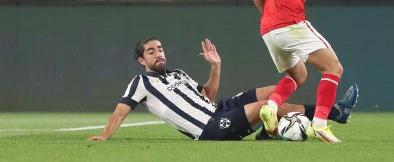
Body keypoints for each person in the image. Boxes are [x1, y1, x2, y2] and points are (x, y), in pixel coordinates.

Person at [88, 37, 358, 141]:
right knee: (267, 108)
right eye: (151, 51)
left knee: (270, 93)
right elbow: (120, 113)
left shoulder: (178, 74)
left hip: (218, 109)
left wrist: (215, 67)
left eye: (159, 49)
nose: (158, 54)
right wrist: (105, 135)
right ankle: (326, 115)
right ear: (141, 60)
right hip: (209, 128)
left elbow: (207, 97)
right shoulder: (141, 83)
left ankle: (328, 114)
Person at [252, 0, 362, 143]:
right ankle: (320, 124)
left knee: (298, 74)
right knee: (333, 68)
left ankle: (271, 106)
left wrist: (272, 18)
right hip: (289, 22)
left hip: (268, 28)